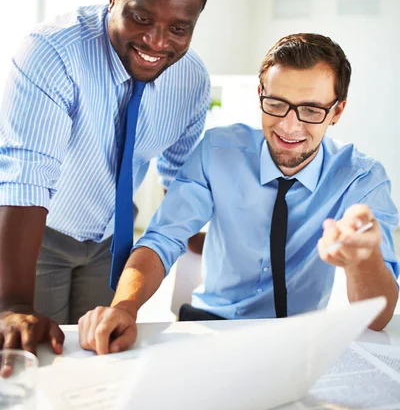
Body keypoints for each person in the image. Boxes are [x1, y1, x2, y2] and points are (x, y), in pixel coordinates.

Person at [78, 32, 400, 354]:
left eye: (312, 111)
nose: (289, 127)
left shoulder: (361, 178)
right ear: (260, 94)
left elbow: (377, 319)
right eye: (276, 104)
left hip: (300, 340)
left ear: (337, 112)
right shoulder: (217, 150)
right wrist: (124, 307)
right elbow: (162, 239)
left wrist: (364, 258)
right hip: (212, 325)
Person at [0, 0, 210, 354]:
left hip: (111, 242)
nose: (156, 41)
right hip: (38, 236)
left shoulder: (192, 82)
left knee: (99, 358)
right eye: (142, 18)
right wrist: (12, 305)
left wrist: (216, 246)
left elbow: (182, 184)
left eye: (178, 28)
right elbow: (26, 174)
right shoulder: (53, 52)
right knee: (32, 355)